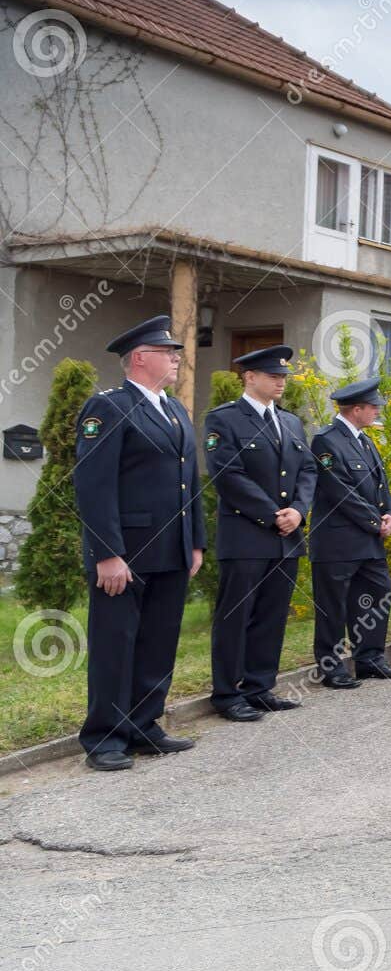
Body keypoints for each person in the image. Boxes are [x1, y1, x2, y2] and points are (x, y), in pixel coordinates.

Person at [73, 315, 206, 770]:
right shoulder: (108, 407)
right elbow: (93, 486)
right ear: (140, 358)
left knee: (158, 641)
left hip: (171, 548)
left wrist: (195, 542)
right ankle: (105, 737)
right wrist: (108, 554)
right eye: (168, 353)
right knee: (116, 642)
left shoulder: (174, 410)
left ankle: (143, 725)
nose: (175, 359)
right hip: (126, 551)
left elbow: (190, 482)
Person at [204, 344, 315, 723]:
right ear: (249, 377)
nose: (281, 382)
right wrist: (272, 515)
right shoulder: (225, 420)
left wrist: (298, 511)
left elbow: (308, 471)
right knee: (236, 615)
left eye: (283, 376)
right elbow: (227, 474)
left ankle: (259, 686)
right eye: (273, 376)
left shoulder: (291, 422)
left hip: (286, 536)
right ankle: (227, 692)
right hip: (247, 535)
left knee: (271, 614)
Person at [310, 378, 391, 688]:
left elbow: (381, 486)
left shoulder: (365, 440)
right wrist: (376, 522)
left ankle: (370, 658)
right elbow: (341, 492)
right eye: (373, 406)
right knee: (333, 605)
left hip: (368, 540)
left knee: (377, 595)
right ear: (356, 409)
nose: (377, 410)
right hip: (338, 541)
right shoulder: (326, 441)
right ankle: (331, 666)